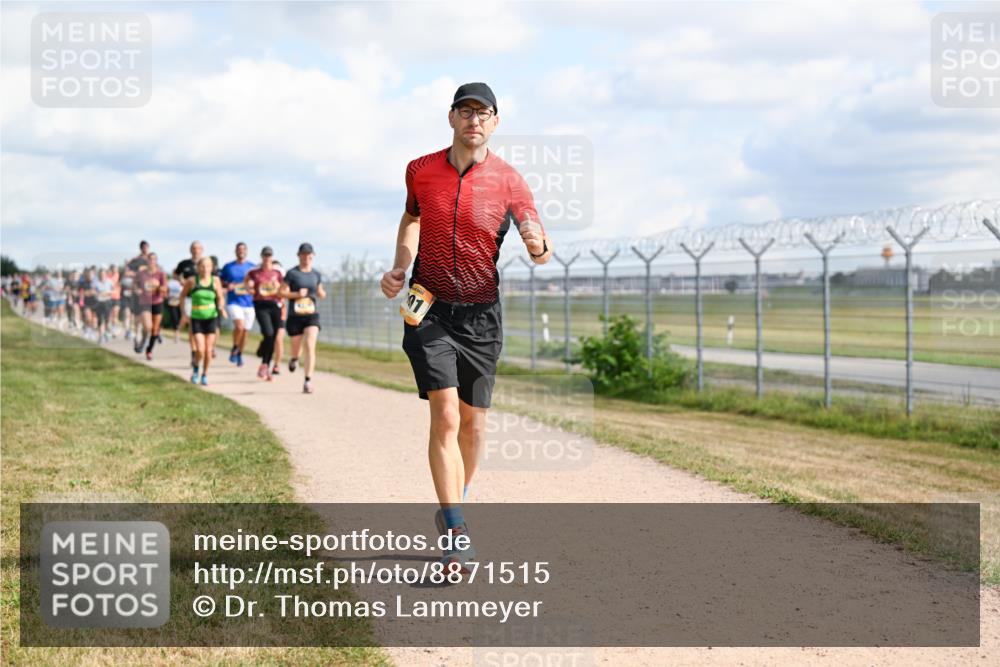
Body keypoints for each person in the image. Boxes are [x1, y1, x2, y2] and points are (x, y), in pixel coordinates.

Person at [380, 82, 552, 571]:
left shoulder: (510, 181)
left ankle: (456, 498)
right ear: (452, 118)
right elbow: (411, 218)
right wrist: (400, 265)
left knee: (474, 427)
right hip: (429, 308)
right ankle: (456, 531)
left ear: (495, 122)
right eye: (466, 111)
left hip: (481, 316)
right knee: (447, 416)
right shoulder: (420, 170)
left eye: (483, 112)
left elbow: (541, 249)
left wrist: (537, 244)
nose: (474, 119)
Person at [280, 243, 326, 394]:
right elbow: (281, 292)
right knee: (296, 347)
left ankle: (307, 381)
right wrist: (296, 294)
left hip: (311, 315)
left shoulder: (316, 274)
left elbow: (320, 291)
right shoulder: (292, 273)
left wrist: (321, 294)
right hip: (295, 316)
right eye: (303, 254)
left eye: (309, 254)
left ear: (312, 256)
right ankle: (294, 358)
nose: (306, 257)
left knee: (310, 345)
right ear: (299, 255)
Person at [179, 256, 227, 386]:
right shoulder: (192, 281)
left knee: (208, 350)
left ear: (212, 268)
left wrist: (221, 307)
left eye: (208, 266)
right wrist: (184, 314)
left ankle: (204, 374)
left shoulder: (215, 280)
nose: (205, 269)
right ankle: (195, 369)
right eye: (202, 266)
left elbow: (220, 297)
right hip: (197, 318)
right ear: (198, 268)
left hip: (211, 317)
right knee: (200, 350)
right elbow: (182, 297)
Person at [246, 246, 284, 381]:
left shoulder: (278, 272)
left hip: (275, 305)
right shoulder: (254, 271)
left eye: (269, 255)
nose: (267, 258)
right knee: (268, 333)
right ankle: (263, 352)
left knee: (274, 336)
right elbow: (246, 282)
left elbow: (284, 287)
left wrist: (278, 287)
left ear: (272, 257)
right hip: (261, 305)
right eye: (265, 255)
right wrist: (250, 289)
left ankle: (265, 365)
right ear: (261, 256)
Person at [220, 242, 256, 367]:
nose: (241, 251)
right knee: (239, 327)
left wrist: (252, 285)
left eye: (243, 249)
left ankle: (240, 353)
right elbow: (220, 281)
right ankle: (235, 347)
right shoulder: (228, 267)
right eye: (239, 249)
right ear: (235, 251)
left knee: (245, 331)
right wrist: (227, 285)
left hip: (249, 303)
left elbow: (258, 284)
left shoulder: (252, 267)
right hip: (233, 301)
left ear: (246, 251)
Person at [174, 241, 204, 365]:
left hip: (203, 300)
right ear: (190, 250)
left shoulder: (205, 264)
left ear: (202, 250)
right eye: (193, 248)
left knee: (202, 327)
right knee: (192, 325)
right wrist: (181, 280)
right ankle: (194, 353)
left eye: (198, 248)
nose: (196, 250)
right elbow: (176, 274)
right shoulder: (184, 264)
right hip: (189, 298)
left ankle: (202, 349)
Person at [135, 253, 168, 360]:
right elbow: (135, 284)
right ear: (147, 261)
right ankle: (143, 340)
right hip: (145, 302)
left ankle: (149, 350)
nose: (151, 261)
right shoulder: (141, 273)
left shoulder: (161, 274)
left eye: (154, 259)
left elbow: (165, 289)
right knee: (148, 326)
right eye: (150, 259)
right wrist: (137, 289)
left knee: (155, 329)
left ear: (156, 261)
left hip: (157, 302)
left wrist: (158, 286)